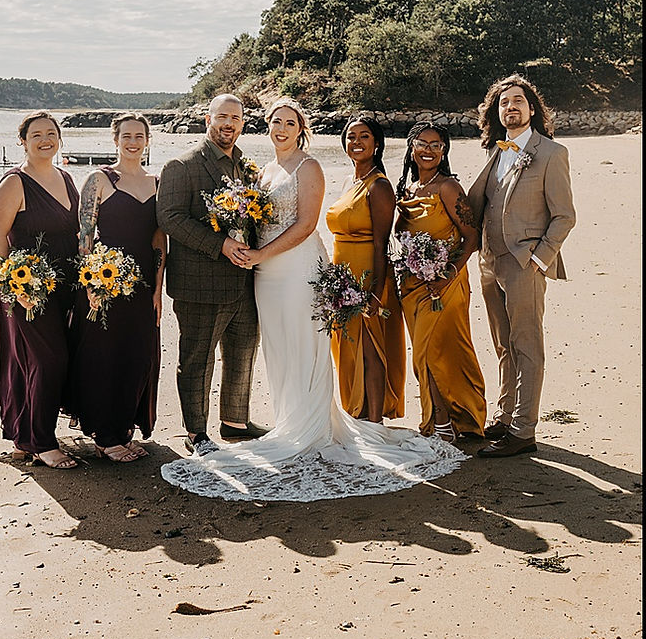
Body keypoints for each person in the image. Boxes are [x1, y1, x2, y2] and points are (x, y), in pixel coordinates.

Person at [160, 99, 465, 502]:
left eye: (290, 123)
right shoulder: (260, 171)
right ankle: (288, 420)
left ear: (302, 129)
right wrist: (246, 253)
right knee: (278, 348)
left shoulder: (310, 167)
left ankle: (309, 427)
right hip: (264, 277)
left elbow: (305, 226)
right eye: (275, 122)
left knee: (305, 345)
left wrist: (258, 255)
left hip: (297, 270)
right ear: (266, 126)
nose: (281, 129)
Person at [466, 74, 576, 459]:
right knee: (502, 344)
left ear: (532, 108)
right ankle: (504, 414)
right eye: (503, 103)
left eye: (517, 101)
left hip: (524, 264)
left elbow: (564, 217)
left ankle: (523, 429)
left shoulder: (551, 153)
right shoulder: (497, 151)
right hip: (489, 262)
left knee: (526, 344)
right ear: (496, 112)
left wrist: (538, 259)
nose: (510, 107)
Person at [157, 94, 265, 454]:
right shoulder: (182, 165)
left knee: (243, 351)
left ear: (243, 123)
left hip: (244, 282)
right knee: (197, 360)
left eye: (236, 118)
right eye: (222, 117)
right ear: (208, 119)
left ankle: (235, 422)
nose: (229, 124)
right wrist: (220, 245)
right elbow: (170, 218)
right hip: (199, 284)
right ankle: (196, 433)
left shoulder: (247, 168)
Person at [63, 113, 166, 461]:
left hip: (141, 286)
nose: (133, 142)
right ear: (115, 139)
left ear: (148, 140)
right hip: (103, 283)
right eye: (126, 136)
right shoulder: (98, 179)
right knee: (103, 358)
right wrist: (90, 282)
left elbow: (158, 238)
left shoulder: (158, 181)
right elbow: (85, 237)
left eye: (139, 136)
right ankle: (105, 437)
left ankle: (124, 428)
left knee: (138, 356)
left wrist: (156, 289)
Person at [0, 111, 80, 468]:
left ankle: (26, 437)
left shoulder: (67, 179)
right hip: (28, 290)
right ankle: (41, 442)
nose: (45, 140)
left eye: (51, 133)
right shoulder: (14, 183)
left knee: (41, 362)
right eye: (36, 134)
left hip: (66, 286)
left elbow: (76, 234)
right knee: (50, 360)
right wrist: (18, 286)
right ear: (22, 141)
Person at [394, 125, 489, 442]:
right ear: (411, 148)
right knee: (426, 353)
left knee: (436, 352)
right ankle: (443, 420)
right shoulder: (407, 190)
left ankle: (447, 422)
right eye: (422, 144)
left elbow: (471, 237)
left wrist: (446, 274)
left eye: (437, 145)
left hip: (446, 285)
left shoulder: (448, 188)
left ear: (444, 152)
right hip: (413, 285)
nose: (429, 150)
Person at [325, 115, 406, 422]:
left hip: (368, 277)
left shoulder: (379, 186)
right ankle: (355, 413)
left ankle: (374, 420)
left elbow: (381, 244)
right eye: (351, 136)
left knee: (370, 349)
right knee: (347, 346)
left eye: (364, 136)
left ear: (376, 144)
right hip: (343, 276)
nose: (356, 142)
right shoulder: (350, 181)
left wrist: (375, 292)